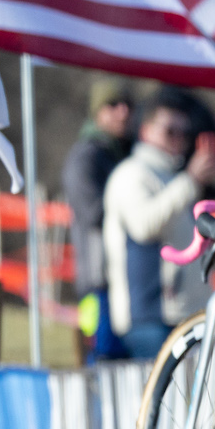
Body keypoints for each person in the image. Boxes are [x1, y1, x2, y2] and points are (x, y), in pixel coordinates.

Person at [101, 87, 215, 359]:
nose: (178, 140)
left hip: (184, 313)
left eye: (183, 133)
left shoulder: (176, 179)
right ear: (145, 131)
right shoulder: (130, 174)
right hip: (150, 314)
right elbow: (143, 226)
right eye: (170, 131)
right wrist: (191, 181)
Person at [63, 77, 136, 361]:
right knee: (101, 359)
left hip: (129, 281)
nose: (123, 112)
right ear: (97, 112)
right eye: (113, 105)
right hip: (97, 283)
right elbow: (93, 212)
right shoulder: (85, 158)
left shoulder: (130, 152)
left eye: (128, 105)